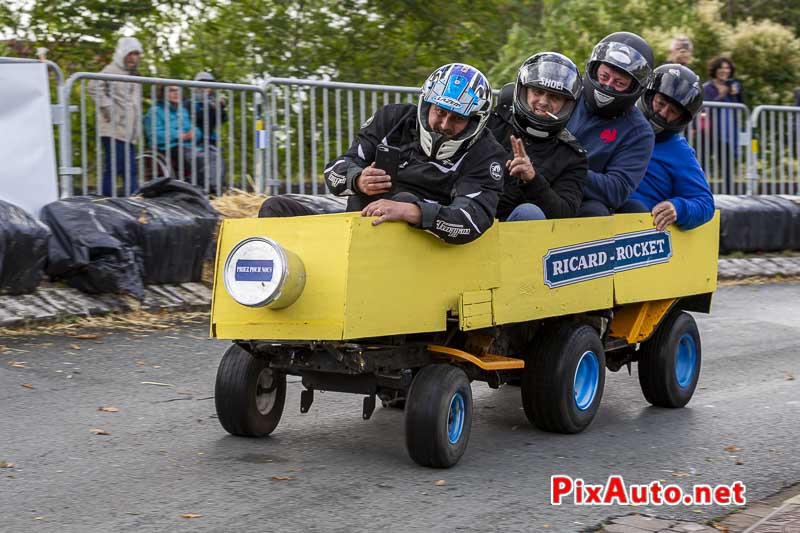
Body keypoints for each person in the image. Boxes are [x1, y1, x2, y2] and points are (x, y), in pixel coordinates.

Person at [260, 63, 506, 245]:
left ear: (475, 121)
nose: (443, 124)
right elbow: (335, 170)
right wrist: (357, 178)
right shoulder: (392, 118)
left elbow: (471, 220)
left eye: (457, 119)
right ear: (427, 104)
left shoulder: (487, 153)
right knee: (275, 207)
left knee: (404, 198)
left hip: (421, 241)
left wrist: (412, 211)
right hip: (357, 221)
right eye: (440, 112)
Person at [487, 52, 587, 221]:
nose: (543, 102)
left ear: (567, 104)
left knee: (529, 212)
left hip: (516, 234)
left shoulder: (573, 155)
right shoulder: (492, 123)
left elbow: (566, 213)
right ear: (524, 91)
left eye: (554, 97)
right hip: (471, 216)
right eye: (538, 92)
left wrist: (533, 180)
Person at [567, 31, 656, 217]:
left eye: (619, 83)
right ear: (594, 70)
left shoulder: (639, 132)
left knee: (597, 211)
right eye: (604, 76)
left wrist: (564, 169)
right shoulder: (567, 94)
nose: (608, 85)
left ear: (634, 87)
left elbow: (617, 189)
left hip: (581, 201)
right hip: (536, 181)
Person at [631, 64, 714, 230]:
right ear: (649, 96)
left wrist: (678, 207)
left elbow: (705, 203)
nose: (663, 113)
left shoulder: (679, 152)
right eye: (660, 103)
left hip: (638, 228)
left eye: (673, 111)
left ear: (681, 119)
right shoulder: (617, 123)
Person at [87, 36, 144, 196]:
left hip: (128, 133)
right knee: (115, 169)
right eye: (130, 54)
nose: (134, 58)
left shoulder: (133, 74)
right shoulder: (111, 70)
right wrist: (108, 108)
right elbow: (93, 86)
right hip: (113, 129)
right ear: (122, 54)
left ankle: (132, 204)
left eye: (137, 54)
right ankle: (106, 202)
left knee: (130, 170)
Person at [143, 85, 223, 191]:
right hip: (168, 147)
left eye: (178, 91)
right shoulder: (155, 111)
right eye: (172, 90)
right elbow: (154, 135)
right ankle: (206, 189)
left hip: (187, 146)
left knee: (214, 153)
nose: (176, 93)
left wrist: (195, 133)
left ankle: (213, 188)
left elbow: (195, 130)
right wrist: (179, 135)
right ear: (163, 94)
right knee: (198, 157)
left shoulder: (182, 111)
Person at [702, 56, 743, 193]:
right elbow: (705, 106)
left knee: (728, 166)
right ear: (715, 70)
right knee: (703, 164)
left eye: (727, 68)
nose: (724, 70)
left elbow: (741, 106)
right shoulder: (708, 87)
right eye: (721, 67)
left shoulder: (734, 85)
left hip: (729, 133)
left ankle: (729, 193)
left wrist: (736, 94)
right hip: (710, 132)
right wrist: (720, 95)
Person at [186, 71, 227, 146]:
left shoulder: (212, 102)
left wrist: (221, 107)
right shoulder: (189, 103)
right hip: (194, 141)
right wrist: (211, 108)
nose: (208, 88)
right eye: (204, 85)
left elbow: (222, 119)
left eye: (210, 85)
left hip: (210, 141)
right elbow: (194, 119)